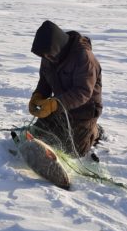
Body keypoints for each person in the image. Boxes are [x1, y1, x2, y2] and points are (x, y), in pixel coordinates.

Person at [28, 20, 103, 157]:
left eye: (47, 55)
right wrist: (38, 96)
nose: (45, 58)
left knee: (72, 152)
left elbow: (83, 92)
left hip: (85, 110)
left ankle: (94, 131)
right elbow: (44, 80)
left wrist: (55, 104)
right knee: (38, 135)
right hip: (60, 105)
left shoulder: (84, 58)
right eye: (43, 56)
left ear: (57, 45)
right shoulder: (49, 54)